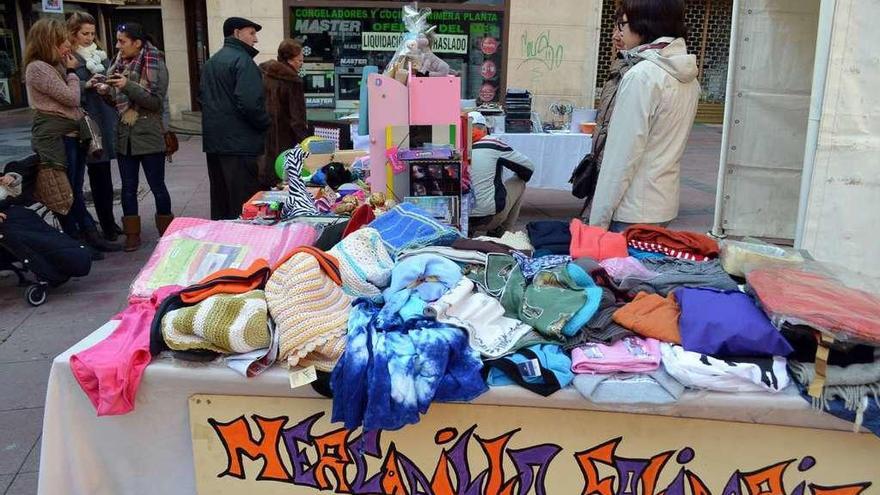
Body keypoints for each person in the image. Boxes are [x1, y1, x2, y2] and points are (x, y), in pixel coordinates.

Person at [588, 0, 700, 232]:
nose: (619, 31)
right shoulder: (688, 76)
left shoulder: (642, 76)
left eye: (622, 23)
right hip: (663, 204)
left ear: (644, 23)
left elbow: (622, 157)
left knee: (618, 269)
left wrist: (597, 223)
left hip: (632, 209)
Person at [23, 18, 118, 255]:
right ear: (48, 42)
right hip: (56, 137)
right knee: (64, 192)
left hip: (70, 133)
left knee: (73, 189)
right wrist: (74, 73)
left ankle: (88, 237)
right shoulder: (38, 68)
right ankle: (78, 242)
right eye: (62, 43)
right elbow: (71, 98)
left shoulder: (53, 65)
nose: (67, 47)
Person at [93, 22, 172, 251]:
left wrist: (127, 85)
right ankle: (132, 234)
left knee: (157, 186)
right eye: (117, 41)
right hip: (124, 136)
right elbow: (117, 102)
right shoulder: (118, 63)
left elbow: (154, 101)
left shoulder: (155, 62)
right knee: (128, 187)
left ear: (137, 43)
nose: (118, 46)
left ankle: (166, 232)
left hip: (149, 134)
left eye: (122, 41)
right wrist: (106, 92)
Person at [200, 17, 271, 220]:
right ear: (237, 33)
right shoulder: (243, 61)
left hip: (215, 143)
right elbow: (250, 103)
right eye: (252, 33)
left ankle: (223, 244)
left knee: (221, 201)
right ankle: (246, 247)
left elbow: (202, 98)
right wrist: (265, 123)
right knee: (243, 204)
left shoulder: (211, 62)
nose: (255, 39)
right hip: (240, 145)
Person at [68, 12, 122, 242]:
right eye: (84, 33)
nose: (89, 37)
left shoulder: (100, 56)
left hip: (104, 119)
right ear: (73, 33)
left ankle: (108, 222)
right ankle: (98, 227)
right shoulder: (68, 57)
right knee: (91, 178)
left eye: (92, 33)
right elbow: (63, 88)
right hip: (85, 124)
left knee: (104, 178)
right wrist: (84, 84)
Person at [467, 111, 535, 237]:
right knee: (519, 182)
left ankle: (469, 229)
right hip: (488, 219)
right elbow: (528, 168)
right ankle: (503, 232)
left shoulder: (452, 145)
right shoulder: (492, 143)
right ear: (485, 129)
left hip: (456, 219)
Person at [259, 39, 307, 190]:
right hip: (287, 138)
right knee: (287, 179)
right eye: (300, 60)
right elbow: (297, 118)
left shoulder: (265, 74)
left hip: (266, 134)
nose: (301, 63)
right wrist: (306, 142)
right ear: (290, 60)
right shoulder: (293, 81)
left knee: (269, 177)